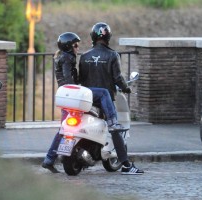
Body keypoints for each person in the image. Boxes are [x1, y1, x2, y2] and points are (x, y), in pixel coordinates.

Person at [42, 32, 124, 173]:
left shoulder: (61, 57)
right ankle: (112, 121)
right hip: (72, 95)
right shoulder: (68, 58)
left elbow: (71, 78)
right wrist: (79, 88)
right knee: (104, 93)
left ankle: (49, 159)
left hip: (66, 96)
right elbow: (69, 78)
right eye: (75, 45)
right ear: (69, 46)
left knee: (63, 129)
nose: (77, 48)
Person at [79, 22, 144, 175]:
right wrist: (125, 88)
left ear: (93, 37)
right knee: (115, 129)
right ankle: (127, 165)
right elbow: (118, 78)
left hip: (87, 100)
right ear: (108, 36)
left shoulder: (84, 56)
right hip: (104, 101)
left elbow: (81, 79)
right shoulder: (112, 55)